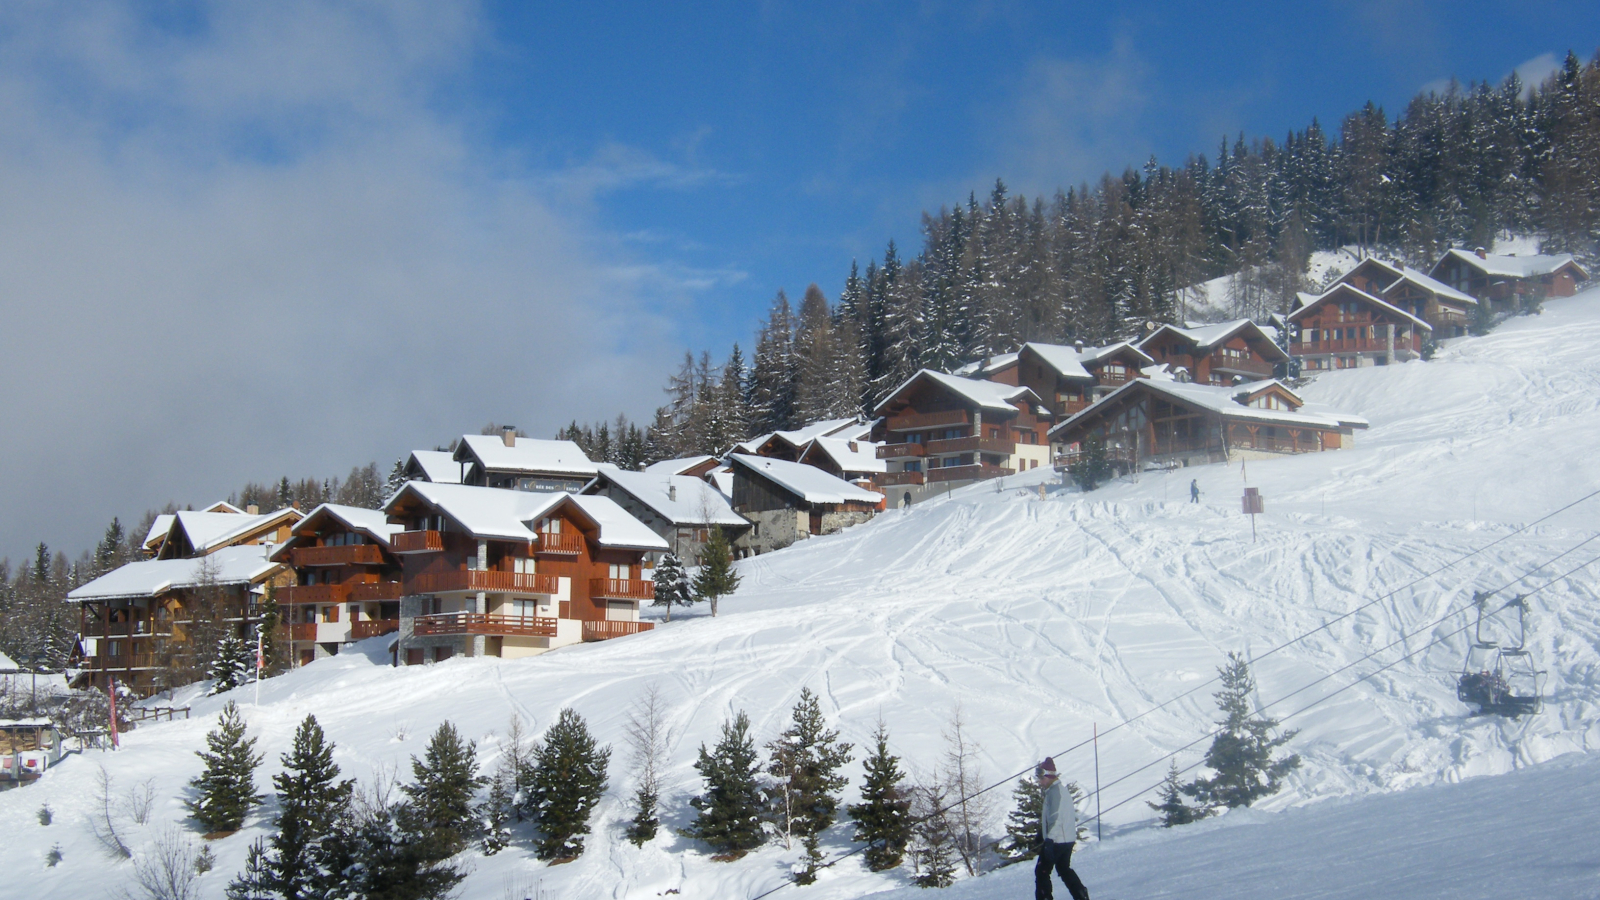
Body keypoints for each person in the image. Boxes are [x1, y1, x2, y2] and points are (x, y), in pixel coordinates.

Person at [1036, 757, 1090, 900]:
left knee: (1042, 871)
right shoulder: (1057, 790)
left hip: (1058, 840)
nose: (1039, 781)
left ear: (1048, 776)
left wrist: (1049, 840)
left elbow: (1056, 817)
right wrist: (1042, 833)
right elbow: (1053, 818)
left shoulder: (1056, 792)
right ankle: (1081, 895)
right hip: (1066, 839)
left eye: (1041, 778)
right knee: (1063, 869)